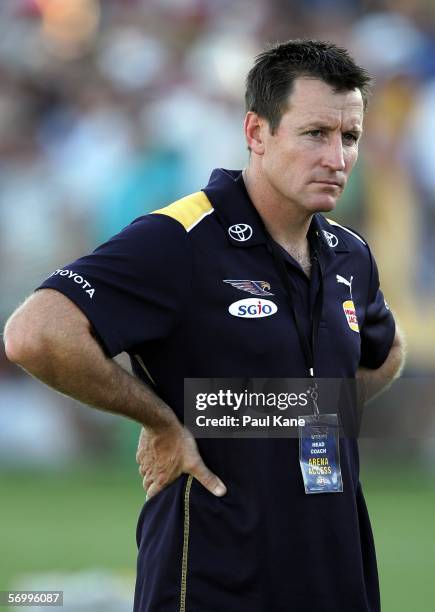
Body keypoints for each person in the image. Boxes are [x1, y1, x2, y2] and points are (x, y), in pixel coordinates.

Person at [4, 39, 405, 612]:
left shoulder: (350, 253)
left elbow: (384, 351)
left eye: (350, 137)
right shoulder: (181, 238)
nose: (337, 159)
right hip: (213, 579)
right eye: (315, 134)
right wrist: (162, 420)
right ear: (256, 133)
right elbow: (35, 333)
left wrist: (295, 412)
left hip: (335, 573)